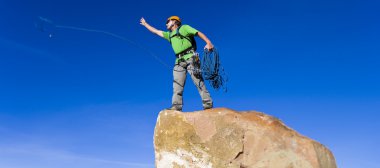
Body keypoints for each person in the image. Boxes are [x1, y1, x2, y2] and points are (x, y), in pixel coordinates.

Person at [140, 16, 213, 111]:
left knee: (197, 80)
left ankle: (207, 103)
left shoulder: (184, 28)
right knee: (177, 85)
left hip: (191, 58)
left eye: (168, 21)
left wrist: (208, 42)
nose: (166, 23)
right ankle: (176, 106)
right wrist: (145, 24)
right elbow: (156, 31)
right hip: (178, 61)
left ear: (175, 22)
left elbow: (198, 33)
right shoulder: (169, 35)